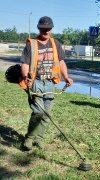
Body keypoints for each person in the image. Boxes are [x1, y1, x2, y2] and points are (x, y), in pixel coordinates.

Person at [19, 16, 73, 150]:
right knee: (38, 111)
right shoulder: (31, 44)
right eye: (44, 29)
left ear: (51, 29)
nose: (46, 31)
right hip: (36, 83)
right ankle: (29, 138)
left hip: (49, 83)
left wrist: (66, 77)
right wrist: (27, 77)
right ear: (39, 28)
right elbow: (25, 64)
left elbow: (61, 62)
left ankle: (39, 139)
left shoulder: (56, 43)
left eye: (49, 29)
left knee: (46, 114)